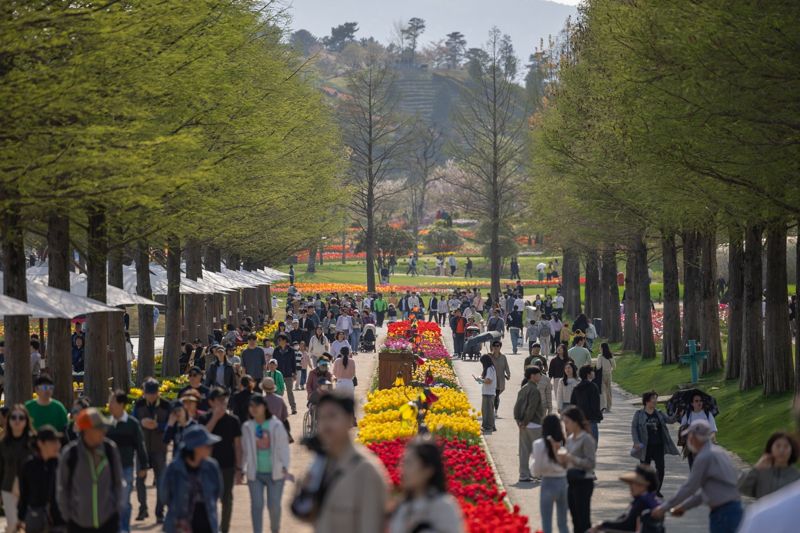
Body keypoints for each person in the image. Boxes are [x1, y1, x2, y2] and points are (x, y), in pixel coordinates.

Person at [303, 391, 389, 533]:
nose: (326, 424)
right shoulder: (320, 466)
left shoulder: (366, 471)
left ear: (349, 419)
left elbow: (371, 526)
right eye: (322, 417)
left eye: (332, 416)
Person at [653, 420, 743, 533]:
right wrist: (683, 507)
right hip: (734, 508)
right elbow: (707, 491)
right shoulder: (719, 452)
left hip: (723, 514)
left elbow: (690, 487)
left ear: (695, 437)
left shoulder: (704, 457)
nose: (688, 440)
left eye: (689, 436)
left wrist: (663, 508)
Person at [57, 408, 124, 533]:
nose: (103, 432)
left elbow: (118, 482)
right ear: (86, 430)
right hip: (78, 524)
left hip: (108, 521)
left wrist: (117, 508)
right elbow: (62, 488)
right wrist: (69, 516)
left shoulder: (110, 449)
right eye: (99, 428)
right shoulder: (70, 454)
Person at [388, 438, 465, 533]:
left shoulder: (443, 507)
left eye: (409, 463)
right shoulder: (402, 507)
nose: (403, 470)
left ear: (428, 470)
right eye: (403, 463)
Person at [242, 395, 291, 533]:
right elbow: (245, 450)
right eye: (251, 406)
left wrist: (284, 467)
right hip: (255, 473)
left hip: (275, 472)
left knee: (274, 506)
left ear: (264, 407)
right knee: (257, 506)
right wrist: (242, 468)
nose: (254, 409)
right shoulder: (247, 426)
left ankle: (275, 529)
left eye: (257, 406)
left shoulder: (276, 425)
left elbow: (284, 448)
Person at [161, 425, 223, 533]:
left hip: (207, 523)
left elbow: (218, 492)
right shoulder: (174, 468)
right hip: (180, 526)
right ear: (196, 447)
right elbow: (164, 495)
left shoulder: (212, 467)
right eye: (207, 445)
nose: (211, 448)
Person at [201, 387, 242, 533]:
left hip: (228, 467)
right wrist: (214, 419)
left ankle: (224, 529)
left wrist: (239, 469)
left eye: (224, 400)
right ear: (211, 402)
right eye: (219, 400)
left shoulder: (233, 420)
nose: (223, 403)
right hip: (207, 468)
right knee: (208, 501)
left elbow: (238, 446)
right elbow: (201, 439)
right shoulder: (204, 419)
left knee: (227, 501)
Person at [107, 390, 149, 533]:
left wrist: (144, 466)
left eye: (112, 402)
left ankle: (124, 529)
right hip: (108, 471)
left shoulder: (132, 424)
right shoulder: (107, 424)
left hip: (126, 468)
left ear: (121, 404)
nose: (109, 405)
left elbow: (140, 445)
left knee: (124, 502)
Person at [133, 377, 170, 523]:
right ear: (144, 393)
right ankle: (143, 509)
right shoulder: (139, 404)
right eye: (148, 393)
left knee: (161, 480)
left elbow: (171, 425)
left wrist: (158, 426)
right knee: (140, 479)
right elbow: (133, 422)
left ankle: (160, 512)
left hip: (159, 448)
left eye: (154, 393)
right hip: (142, 448)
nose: (151, 396)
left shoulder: (166, 405)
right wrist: (141, 423)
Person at [632, 391, 679, 497]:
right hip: (645, 446)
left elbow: (670, 420)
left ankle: (656, 490)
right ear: (647, 401)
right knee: (645, 470)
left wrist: (677, 413)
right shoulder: (639, 414)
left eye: (656, 399)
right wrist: (636, 442)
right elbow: (634, 428)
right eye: (654, 398)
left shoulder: (659, 413)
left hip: (658, 445)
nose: (655, 401)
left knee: (661, 468)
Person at [18, 425, 65, 533]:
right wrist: (20, 517)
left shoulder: (62, 464)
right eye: (52, 442)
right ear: (40, 443)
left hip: (59, 519)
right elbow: (24, 493)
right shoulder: (29, 465)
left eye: (57, 442)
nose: (57, 445)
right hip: (36, 517)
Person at [589, 464, 661, 533]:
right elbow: (624, 518)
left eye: (635, 484)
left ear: (645, 485)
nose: (631, 487)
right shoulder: (649, 500)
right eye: (631, 483)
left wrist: (601, 525)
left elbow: (627, 525)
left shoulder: (643, 503)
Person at [558, 406, 596, 533]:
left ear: (575, 422)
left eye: (567, 422)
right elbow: (567, 462)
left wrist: (571, 458)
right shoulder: (569, 439)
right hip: (571, 481)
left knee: (583, 519)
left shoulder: (586, 439)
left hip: (584, 481)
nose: (566, 426)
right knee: (574, 517)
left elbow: (591, 463)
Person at [532, 414, 568, 533]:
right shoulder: (565, 443)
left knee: (546, 522)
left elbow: (536, 471)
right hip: (563, 482)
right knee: (563, 523)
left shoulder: (539, 444)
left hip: (547, 482)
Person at [738, 431, 800, 499]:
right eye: (778, 446)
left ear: (792, 450)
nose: (781, 450)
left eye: (786, 447)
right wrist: (756, 469)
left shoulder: (796, 476)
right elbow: (742, 488)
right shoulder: (761, 473)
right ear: (770, 448)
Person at [0, 404, 33, 531]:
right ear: (8, 420)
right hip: (8, 488)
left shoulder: (33, 442)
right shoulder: (3, 444)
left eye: (21, 417)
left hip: (30, 489)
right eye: (13, 417)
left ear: (26, 420)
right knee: (13, 525)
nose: (17, 420)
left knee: (27, 525)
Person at [514, 367, 545, 483]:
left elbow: (517, 406)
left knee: (524, 450)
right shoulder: (534, 390)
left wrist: (519, 421)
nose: (540, 376)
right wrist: (526, 421)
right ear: (532, 376)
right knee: (538, 450)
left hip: (523, 424)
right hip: (534, 423)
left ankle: (524, 474)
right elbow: (531, 408)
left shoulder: (523, 388)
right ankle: (539, 473)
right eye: (539, 374)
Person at [679, 392, 718, 468]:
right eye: (696, 401)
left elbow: (713, 430)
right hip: (691, 448)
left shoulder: (707, 414)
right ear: (692, 403)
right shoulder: (688, 415)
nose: (699, 403)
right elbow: (682, 430)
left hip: (705, 446)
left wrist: (712, 442)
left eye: (700, 401)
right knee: (693, 469)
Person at [570, 365, 603, 445]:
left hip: (579, 421)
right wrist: (599, 415)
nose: (594, 373)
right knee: (592, 445)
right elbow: (595, 404)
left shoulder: (576, 388)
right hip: (591, 420)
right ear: (588, 374)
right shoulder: (593, 387)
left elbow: (572, 404)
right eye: (592, 371)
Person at [272, 333, 298, 414]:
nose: (278, 341)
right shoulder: (276, 350)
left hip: (288, 374)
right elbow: (273, 362)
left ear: (285, 340)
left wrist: (294, 373)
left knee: (290, 391)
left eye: (280, 340)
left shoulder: (291, 350)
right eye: (278, 340)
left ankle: (293, 408)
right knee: (278, 391)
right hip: (278, 374)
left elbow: (293, 362)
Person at [477, 355, 497, 434]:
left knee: (487, 411)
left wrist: (480, 380)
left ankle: (488, 427)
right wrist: (480, 378)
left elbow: (488, 381)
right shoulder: (490, 368)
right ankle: (491, 426)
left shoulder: (489, 369)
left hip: (489, 392)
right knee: (487, 410)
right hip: (487, 392)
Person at [596, 343, 616, 412]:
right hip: (609, 374)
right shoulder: (611, 356)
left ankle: (602, 406)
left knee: (602, 391)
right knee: (609, 391)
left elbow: (598, 366)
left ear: (602, 348)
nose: (599, 348)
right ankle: (608, 407)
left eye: (600, 347)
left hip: (602, 375)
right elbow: (614, 366)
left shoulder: (600, 356)